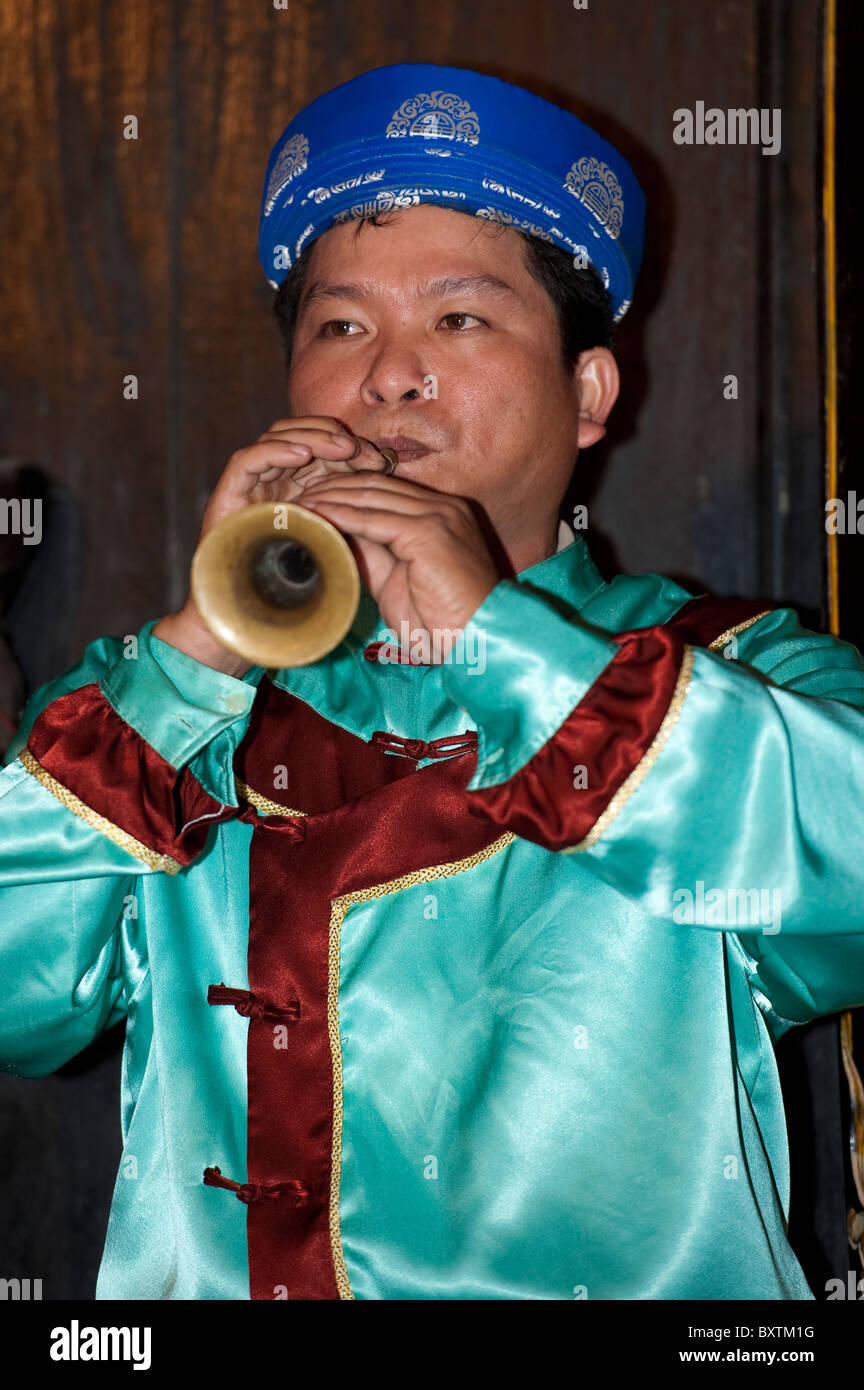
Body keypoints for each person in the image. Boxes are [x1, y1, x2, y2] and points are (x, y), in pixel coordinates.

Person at [2, 61, 864, 1302]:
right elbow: (16, 999)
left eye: (460, 320)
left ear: (588, 395)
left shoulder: (737, 670)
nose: (388, 375)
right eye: (340, 326)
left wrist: (497, 635)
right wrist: (201, 644)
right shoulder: (163, 707)